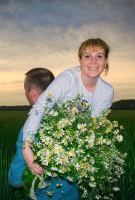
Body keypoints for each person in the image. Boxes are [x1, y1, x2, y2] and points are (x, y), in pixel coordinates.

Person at [22, 38, 114, 179]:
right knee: (20, 174)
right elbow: (39, 107)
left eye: (99, 56)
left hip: (70, 138)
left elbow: (93, 126)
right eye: (88, 56)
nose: (94, 62)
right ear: (80, 60)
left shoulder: (107, 91)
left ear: (106, 61)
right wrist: (26, 146)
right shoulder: (68, 79)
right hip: (41, 126)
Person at [8, 68, 79, 199]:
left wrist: (15, 180)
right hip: (72, 194)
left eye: (26, 91)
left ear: (33, 94)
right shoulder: (71, 118)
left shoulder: (29, 128)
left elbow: (18, 170)